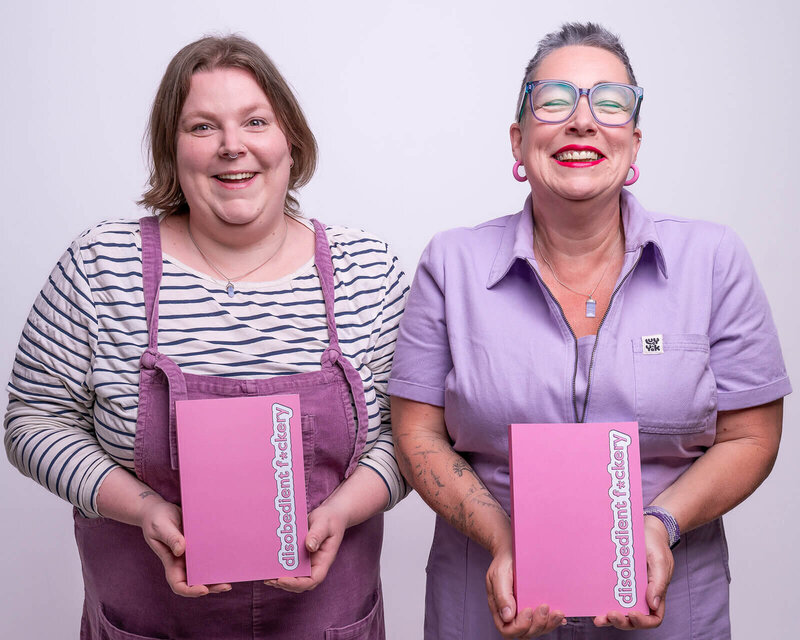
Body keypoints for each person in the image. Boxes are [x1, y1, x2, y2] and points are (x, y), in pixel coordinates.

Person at [389, 21, 790, 640]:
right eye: (554, 100)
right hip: (488, 603)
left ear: (634, 139)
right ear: (519, 141)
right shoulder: (451, 264)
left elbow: (752, 435)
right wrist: (502, 536)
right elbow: (417, 434)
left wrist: (660, 525)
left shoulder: (713, 260)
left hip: (673, 607)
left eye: (610, 102)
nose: (582, 121)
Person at [4, 34, 407, 639]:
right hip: (147, 619)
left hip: (325, 620)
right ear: (171, 148)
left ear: (290, 140)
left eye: (255, 120)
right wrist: (144, 509)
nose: (232, 146)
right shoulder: (101, 264)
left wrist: (343, 511)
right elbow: (33, 419)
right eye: (201, 127)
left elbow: (418, 435)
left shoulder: (367, 271)